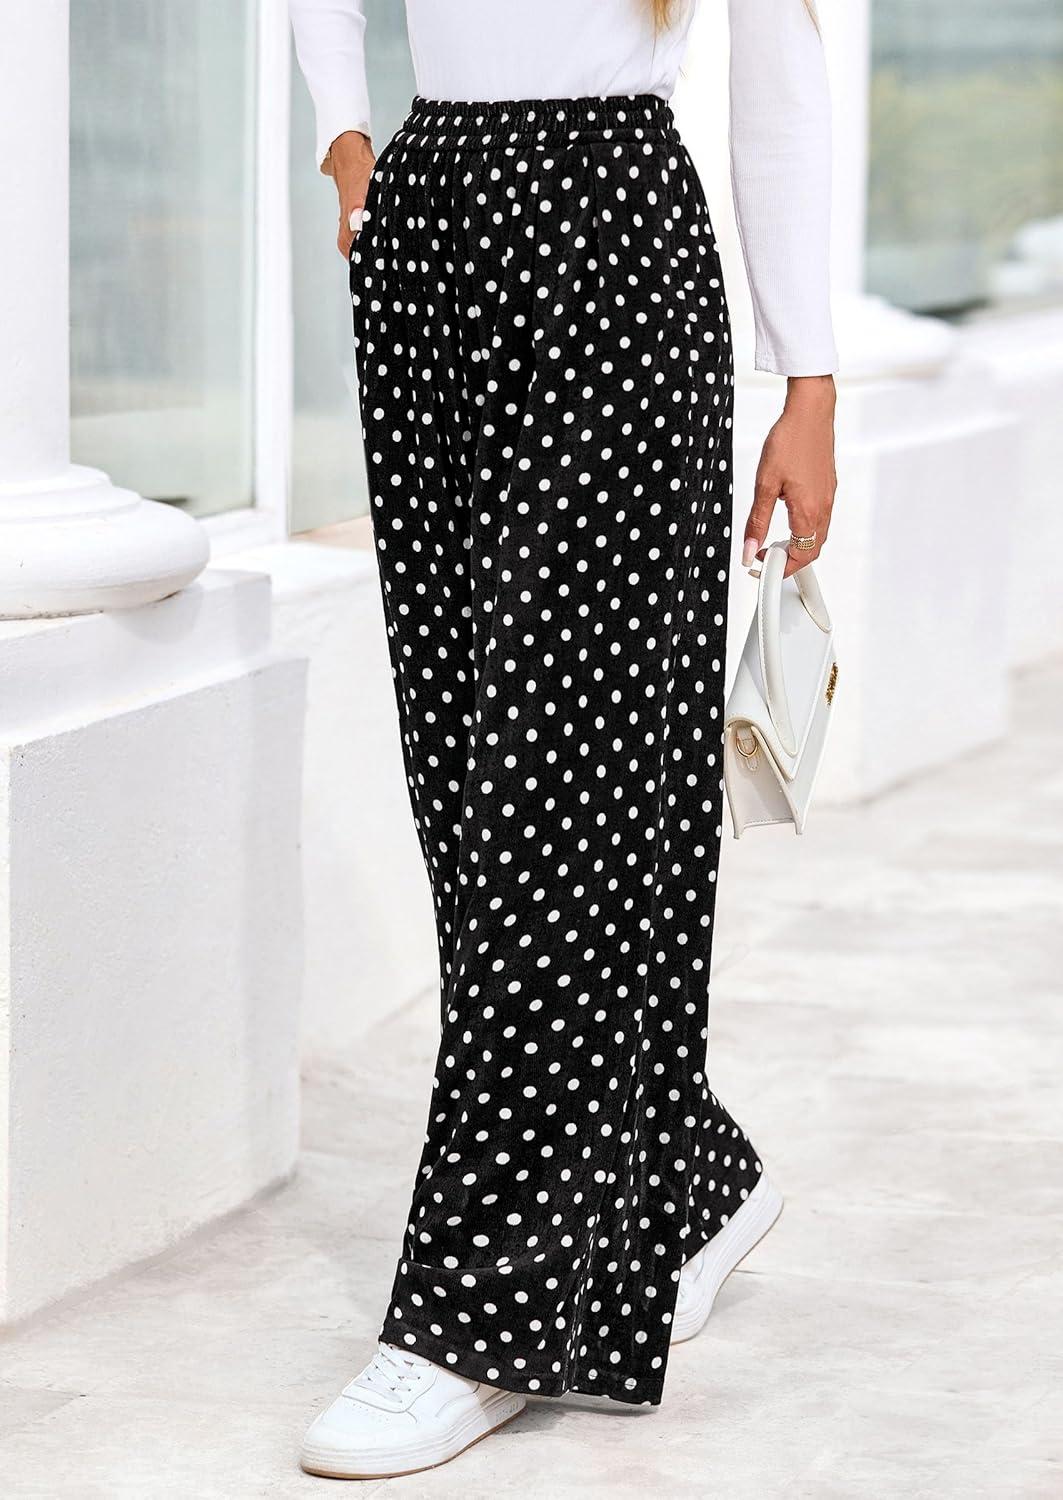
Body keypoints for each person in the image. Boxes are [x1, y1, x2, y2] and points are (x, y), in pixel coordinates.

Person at [289, 0, 838, 1479]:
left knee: (560, 792)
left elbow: (783, 64)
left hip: (608, 244)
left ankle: (482, 1320)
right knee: (468, 776)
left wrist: (809, 381)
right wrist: (346, 131)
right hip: (425, 239)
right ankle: (683, 1177)